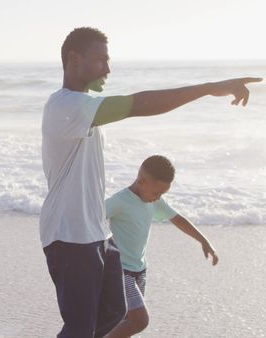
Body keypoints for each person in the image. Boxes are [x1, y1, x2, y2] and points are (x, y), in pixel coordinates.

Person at [40, 26, 260, 338]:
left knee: (115, 312)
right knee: (80, 327)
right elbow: (139, 104)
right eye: (101, 60)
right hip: (69, 235)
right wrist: (209, 87)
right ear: (74, 59)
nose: (108, 68)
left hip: (94, 233)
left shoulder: (83, 107)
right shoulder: (67, 106)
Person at [104, 155, 219, 338]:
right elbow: (93, 218)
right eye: (156, 193)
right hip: (120, 271)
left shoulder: (153, 200)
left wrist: (203, 241)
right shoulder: (120, 201)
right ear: (142, 181)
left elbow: (178, 220)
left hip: (140, 270)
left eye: (162, 194)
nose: (158, 198)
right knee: (140, 321)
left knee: (126, 320)